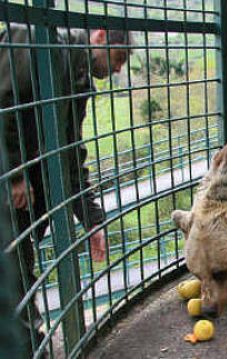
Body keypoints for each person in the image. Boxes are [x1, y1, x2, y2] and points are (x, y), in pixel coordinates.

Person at [0, 24, 131, 357]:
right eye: (119, 58)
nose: (118, 69)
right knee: (13, 273)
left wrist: (91, 218)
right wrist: (14, 172)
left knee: (17, 269)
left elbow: (70, 150)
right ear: (100, 35)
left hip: (24, 196)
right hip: (11, 183)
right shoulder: (36, 39)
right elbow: (4, 99)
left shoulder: (78, 78)